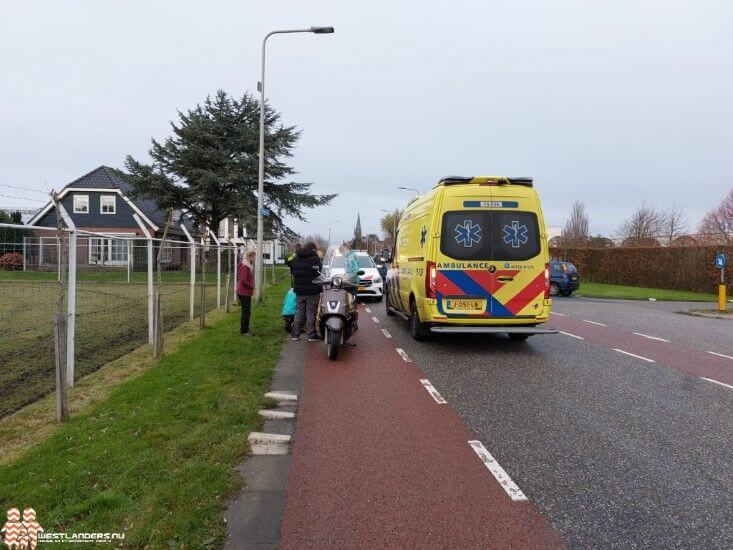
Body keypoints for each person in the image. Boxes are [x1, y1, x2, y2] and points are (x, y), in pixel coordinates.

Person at [289, 241, 322, 342]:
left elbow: (292, 271)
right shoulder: (315, 259)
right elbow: (318, 273)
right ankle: (311, 335)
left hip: (299, 290)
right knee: (311, 312)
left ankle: (295, 334)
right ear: (313, 249)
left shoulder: (295, 258)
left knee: (299, 311)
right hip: (312, 290)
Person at [237, 249, 256, 336]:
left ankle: (245, 329)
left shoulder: (248, 265)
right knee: (246, 312)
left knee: (247, 311)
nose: (255, 258)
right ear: (249, 257)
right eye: (254, 257)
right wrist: (251, 285)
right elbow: (243, 280)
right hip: (244, 293)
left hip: (245, 292)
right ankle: (244, 331)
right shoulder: (245, 266)